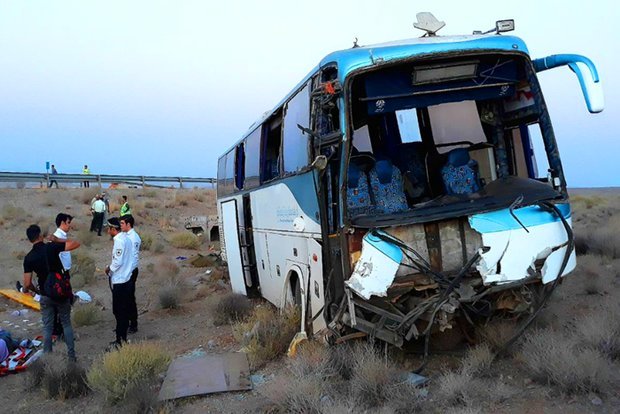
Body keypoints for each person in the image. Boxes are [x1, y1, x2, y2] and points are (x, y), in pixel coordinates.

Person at [22, 224, 80, 361]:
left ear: (30, 239)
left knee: (47, 326)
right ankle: (71, 356)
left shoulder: (29, 258)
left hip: (45, 294)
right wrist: (57, 240)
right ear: (40, 235)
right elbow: (76, 243)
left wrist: (37, 291)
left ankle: (48, 356)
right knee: (66, 323)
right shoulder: (51, 247)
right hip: (61, 291)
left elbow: (27, 283)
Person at [105, 217, 133, 349]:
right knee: (123, 311)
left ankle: (120, 340)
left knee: (119, 312)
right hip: (126, 279)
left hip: (120, 281)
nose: (107, 231)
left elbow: (118, 261)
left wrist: (109, 269)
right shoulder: (126, 238)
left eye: (109, 228)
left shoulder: (119, 241)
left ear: (113, 229)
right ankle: (122, 338)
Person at [49, 213, 75, 338]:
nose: (70, 225)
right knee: (61, 301)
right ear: (62, 223)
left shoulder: (61, 236)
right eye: (68, 222)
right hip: (60, 274)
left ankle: (59, 328)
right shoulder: (57, 237)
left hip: (64, 273)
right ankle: (58, 329)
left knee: (65, 300)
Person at [120, 214, 141, 333]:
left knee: (129, 299)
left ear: (128, 224)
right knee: (123, 299)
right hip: (124, 271)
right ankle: (124, 323)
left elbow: (133, 257)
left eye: (122, 223)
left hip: (130, 271)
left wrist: (128, 272)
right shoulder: (124, 236)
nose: (120, 226)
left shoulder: (134, 238)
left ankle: (133, 324)